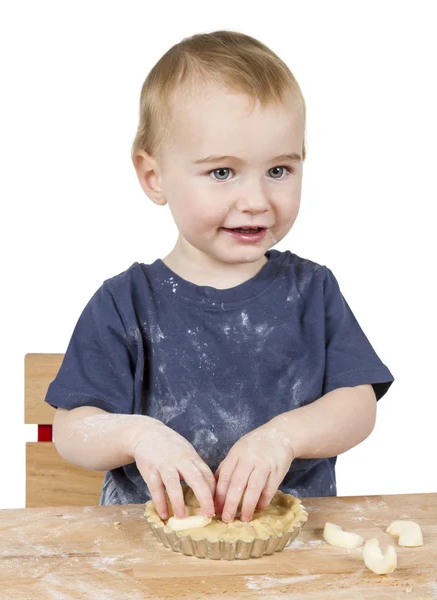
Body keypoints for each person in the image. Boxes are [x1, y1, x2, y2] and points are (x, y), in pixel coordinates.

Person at [45, 29, 394, 525]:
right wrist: (139, 435)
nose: (255, 199)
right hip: (151, 553)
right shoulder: (125, 303)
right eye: (222, 173)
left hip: (288, 553)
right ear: (154, 176)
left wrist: (284, 436)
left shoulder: (312, 292)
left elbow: (359, 405)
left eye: (278, 170)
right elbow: (71, 429)